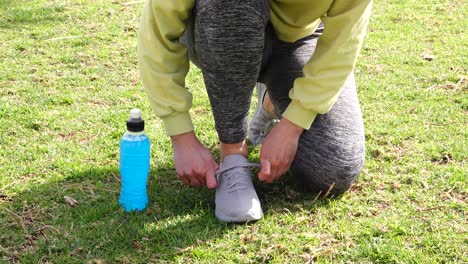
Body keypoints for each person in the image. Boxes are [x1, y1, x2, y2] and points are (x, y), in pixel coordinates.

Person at [137, 0, 373, 222]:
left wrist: (293, 124)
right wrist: (181, 137)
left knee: (332, 168)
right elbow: (158, 32)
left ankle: (271, 100)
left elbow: (343, 42)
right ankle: (232, 156)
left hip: (296, 40)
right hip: (218, 25)